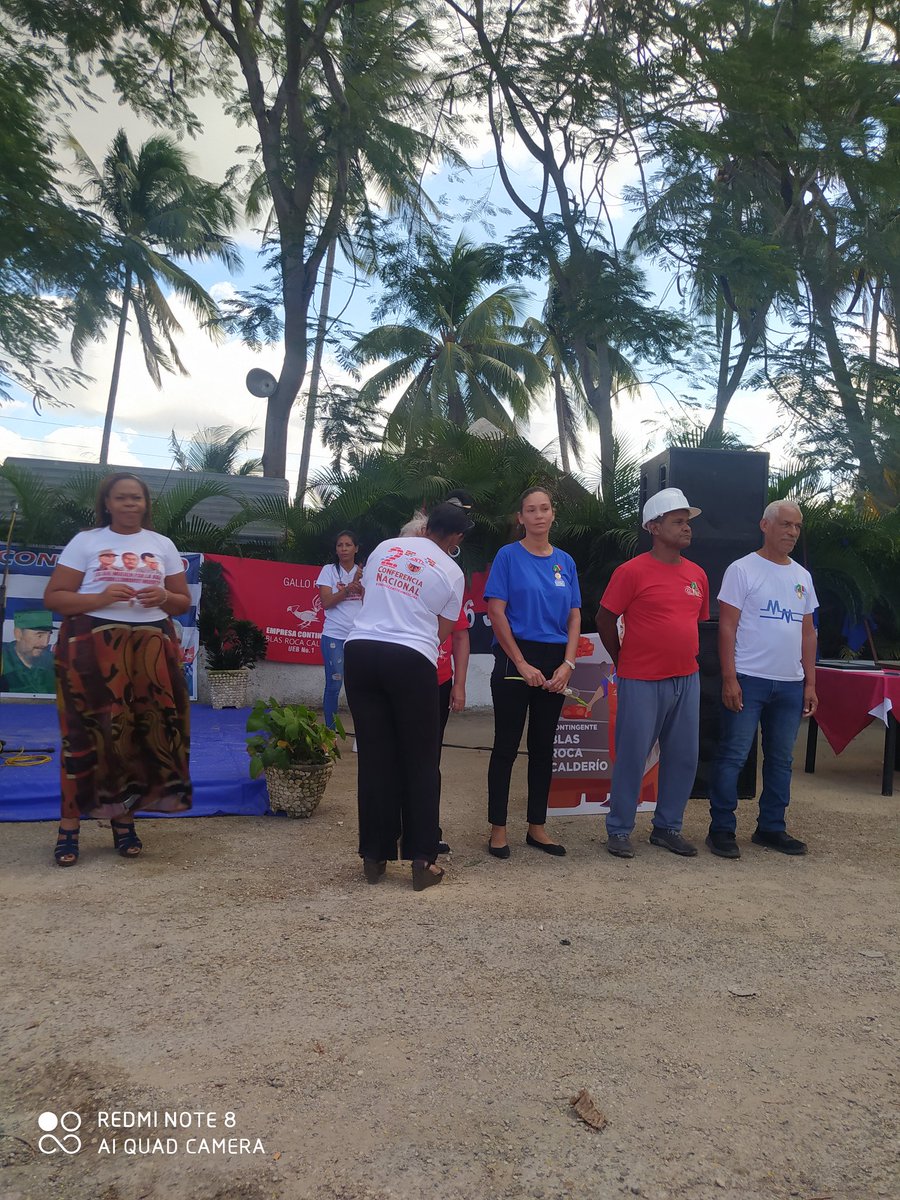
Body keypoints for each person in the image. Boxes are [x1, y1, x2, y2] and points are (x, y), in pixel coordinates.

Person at [43, 472, 193, 867]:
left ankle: (124, 821)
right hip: (91, 648)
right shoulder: (87, 542)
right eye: (121, 498)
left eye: (136, 498)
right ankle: (68, 828)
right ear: (107, 503)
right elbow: (54, 597)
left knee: (136, 736)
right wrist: (100, 596)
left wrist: (164, 595)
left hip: (148, 647)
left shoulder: (162, 545)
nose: (130, 504)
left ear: (146, 504)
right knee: (85, 735)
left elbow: (181, 602)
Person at [344, 503, 471, 891]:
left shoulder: (385, 548)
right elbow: (442, 631)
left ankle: (374, 856)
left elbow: (371, 597)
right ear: (456, 538)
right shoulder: (451, 570)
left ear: (427, 525)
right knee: (420, 760)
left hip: (360, 651)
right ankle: (421, 860)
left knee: (375, 757)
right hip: (410, 658)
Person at [595, 487, 708, 859]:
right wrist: (622, 660)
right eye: (678, 522)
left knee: (683, 756)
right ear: (654, 527)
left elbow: (694, 622)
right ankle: (619, 828)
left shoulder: (698, 574)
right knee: (633, 754)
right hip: (641, 677)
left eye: (687, 522)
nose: (687, 528)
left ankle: (667, 827)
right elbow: (605, 618)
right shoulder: (631, 572)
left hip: (686, 677)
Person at [707, 501, 818, 858]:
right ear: (765, 525)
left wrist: (810, 683)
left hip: (790, 682)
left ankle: (771, 828)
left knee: (781, 759)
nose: (791, 532)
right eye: (785, 524)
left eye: (797, 527)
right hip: (748, 678)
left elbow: (808, 632)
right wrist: (728, 676)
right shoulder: (742, 570)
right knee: (733, 755)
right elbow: (726, 626)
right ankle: (721, 828)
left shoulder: (802, 576)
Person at [484, 487, 581, 859]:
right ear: (520, 518)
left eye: (544, 509)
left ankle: (537, 827)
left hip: (555, 660)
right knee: (506, 746)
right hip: (515, 658)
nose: (538, 515)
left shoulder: (566, 562)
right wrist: (521, 663)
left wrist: (568, 664)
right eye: (530, 510)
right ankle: (498, 829)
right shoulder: (508, 556)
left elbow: (574, 615)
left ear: (553, 514)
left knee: (544, 747)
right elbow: (496, 612)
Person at [315, 530, 363, 730]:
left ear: (356, 548)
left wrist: (361, 588)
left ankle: (364, 735)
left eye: (348, 545)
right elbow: (326, 602)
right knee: (334, 686)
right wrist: (347, 589)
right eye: (339, 545)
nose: (343, 549)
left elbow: (372, 603)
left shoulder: (365, 572)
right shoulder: (329, 570)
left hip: (359, 637)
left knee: (361, 689)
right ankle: (330, 733)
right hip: (334, 635)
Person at [1, 609, 56, 694]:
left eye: (48, 636)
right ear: (18, 634)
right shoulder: (3, 661)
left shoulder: (56, 663)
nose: (45, 643)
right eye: (39, 635)